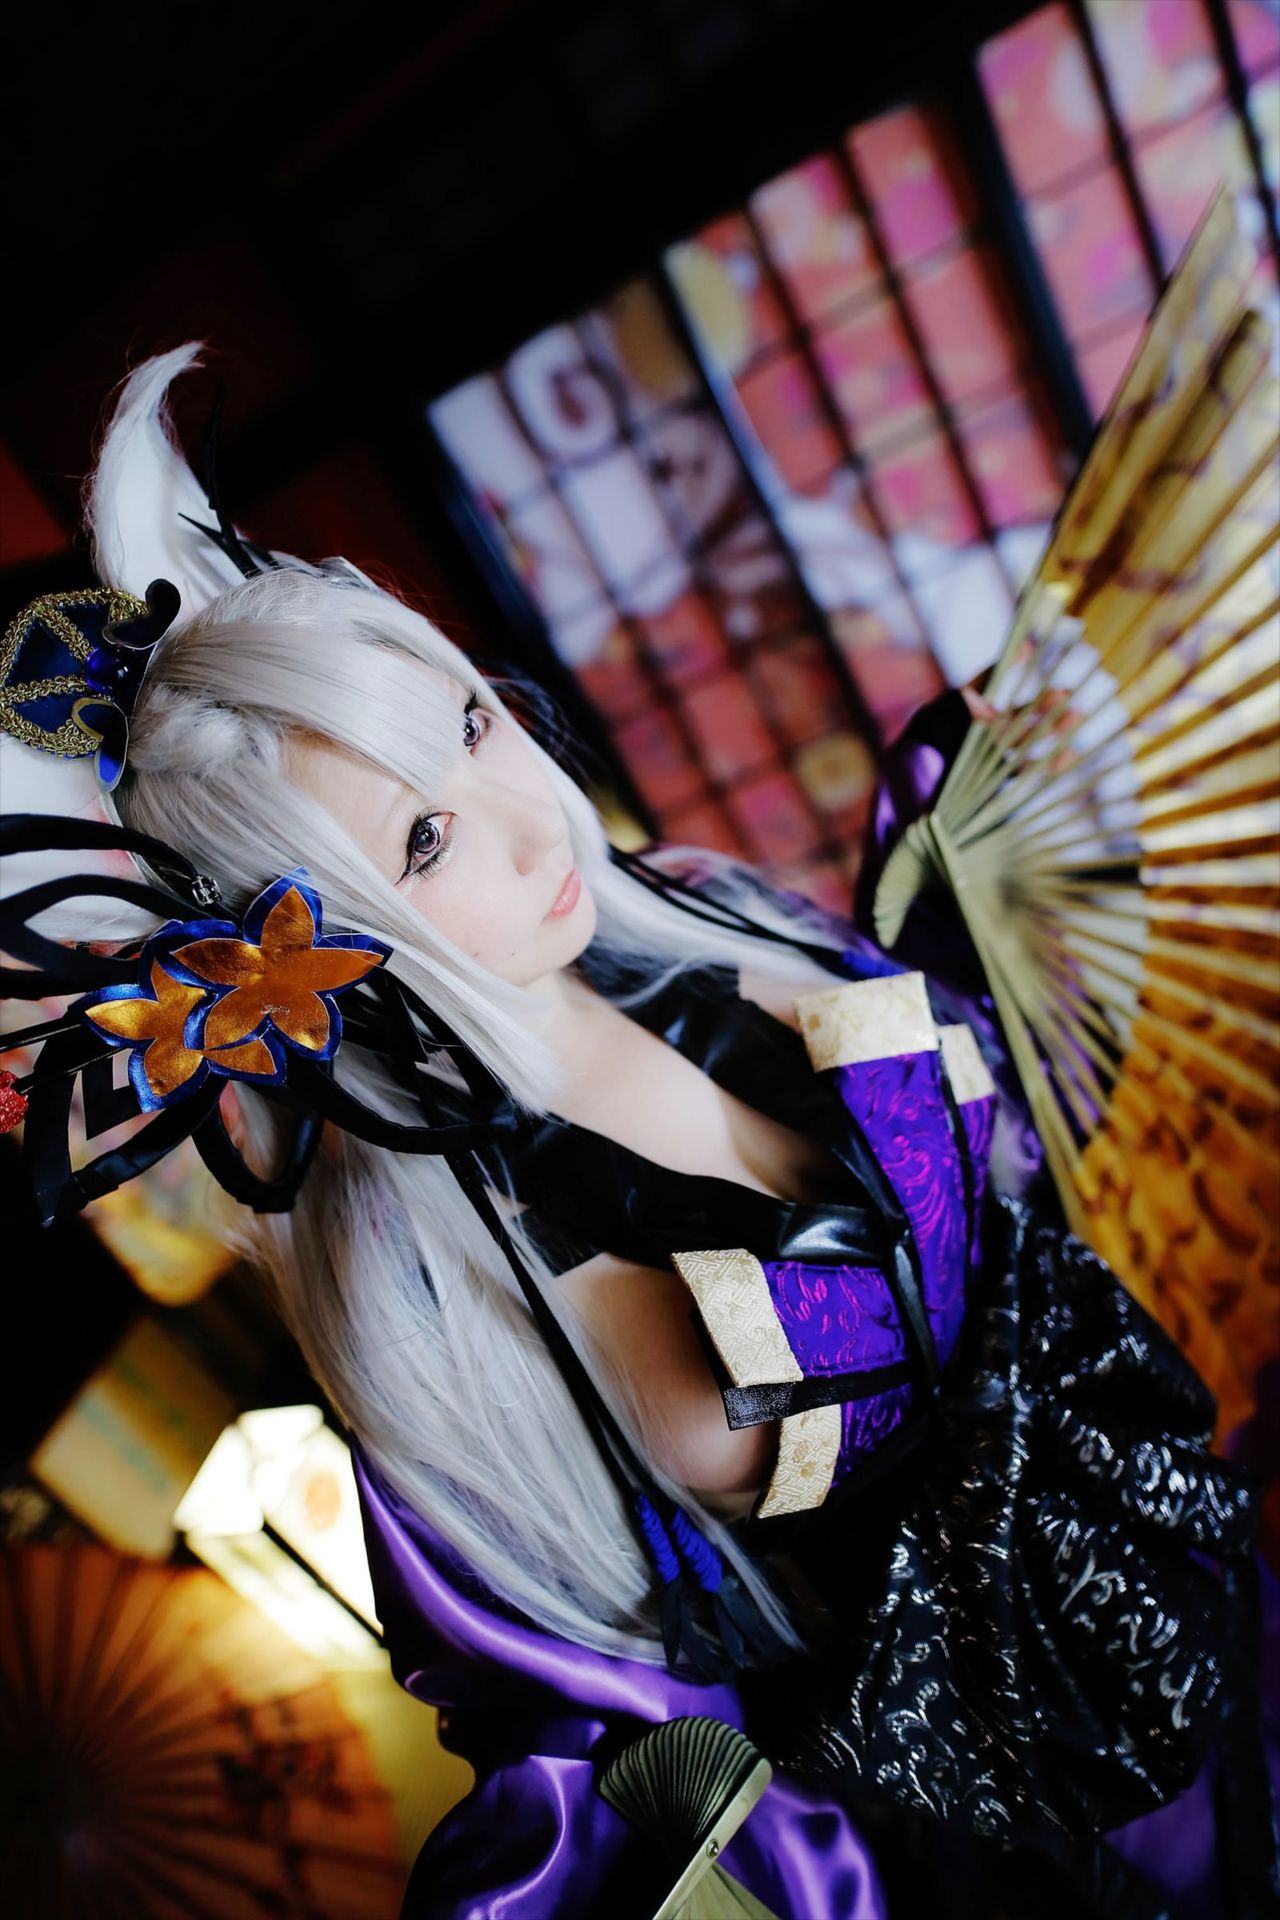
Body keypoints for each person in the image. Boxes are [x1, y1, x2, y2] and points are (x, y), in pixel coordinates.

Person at [1, 342, 1275, 1920]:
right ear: (307, 959)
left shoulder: (700, 915)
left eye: (472, 721)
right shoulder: (473, 1314)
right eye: (423, 838)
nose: (528, 813)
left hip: (1190, 1524)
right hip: (1056, 1819)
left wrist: (969, 935)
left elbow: (989, 1151)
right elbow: (628, 1720)